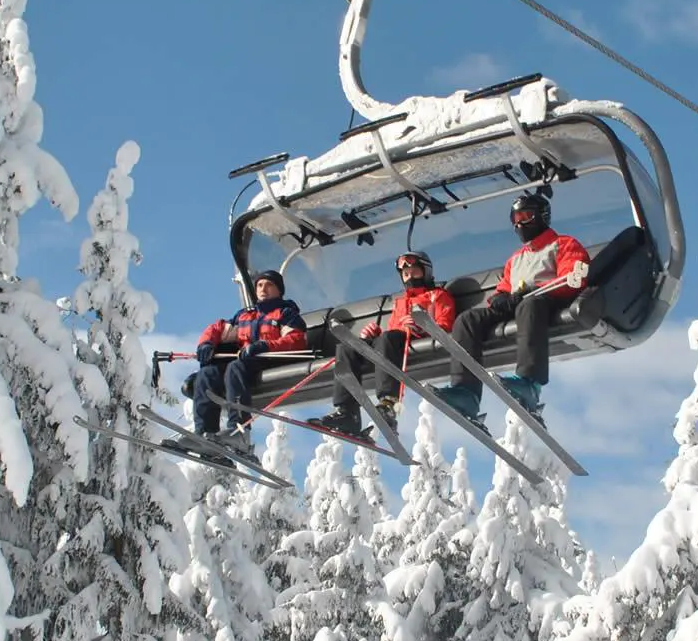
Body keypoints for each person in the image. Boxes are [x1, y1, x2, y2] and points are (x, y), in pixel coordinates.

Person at [434, 192, 588, 424]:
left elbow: (571, 278)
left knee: (530, 304)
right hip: (519, 303)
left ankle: (530, 383)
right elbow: (504, 287)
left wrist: (534, 291)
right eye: (515, 219)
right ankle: (466, 392)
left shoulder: (564, 244)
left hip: (548, 299)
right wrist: (500, 298)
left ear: (541, 216)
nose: (520, 224)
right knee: (467, 319)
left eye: (526, 217)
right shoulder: (515, 258)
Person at [308, 250, 457, 437]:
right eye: (406, 274)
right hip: (394, 344)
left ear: (425, 272)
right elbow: (392, 331)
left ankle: (388, 403)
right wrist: (374, 335)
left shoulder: (438, 295)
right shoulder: (400, 302)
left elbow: (446, 325)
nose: (410, 276)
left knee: (389, 338)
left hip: (417, 339)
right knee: (347, 348)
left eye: (414, 272)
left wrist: (422, 326)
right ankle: (347, 413)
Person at [189, 269, 307, 459]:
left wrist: (265, 345)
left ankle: (239, 432)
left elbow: (296, 340)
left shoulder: (285, 314)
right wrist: (206, 343)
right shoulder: (245, 316)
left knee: (235, 367)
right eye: (259, 285)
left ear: (279, 290)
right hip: (247, 362)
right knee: (207, 373)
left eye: (269, 285)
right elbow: (218, 328)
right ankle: (205, 432)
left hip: (272, 360)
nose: (263, 289)